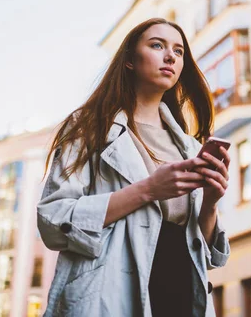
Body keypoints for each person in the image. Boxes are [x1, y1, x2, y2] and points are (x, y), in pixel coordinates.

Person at [37, 18, 231, 317]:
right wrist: (148, 189)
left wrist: (211, 203)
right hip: (108, 296)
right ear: (129, 60)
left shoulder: (189, 147)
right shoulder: (89, 127)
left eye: (179, 52)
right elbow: (53, 222)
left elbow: (202, 255)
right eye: (157, 45)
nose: (170, 57)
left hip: (181, 295)